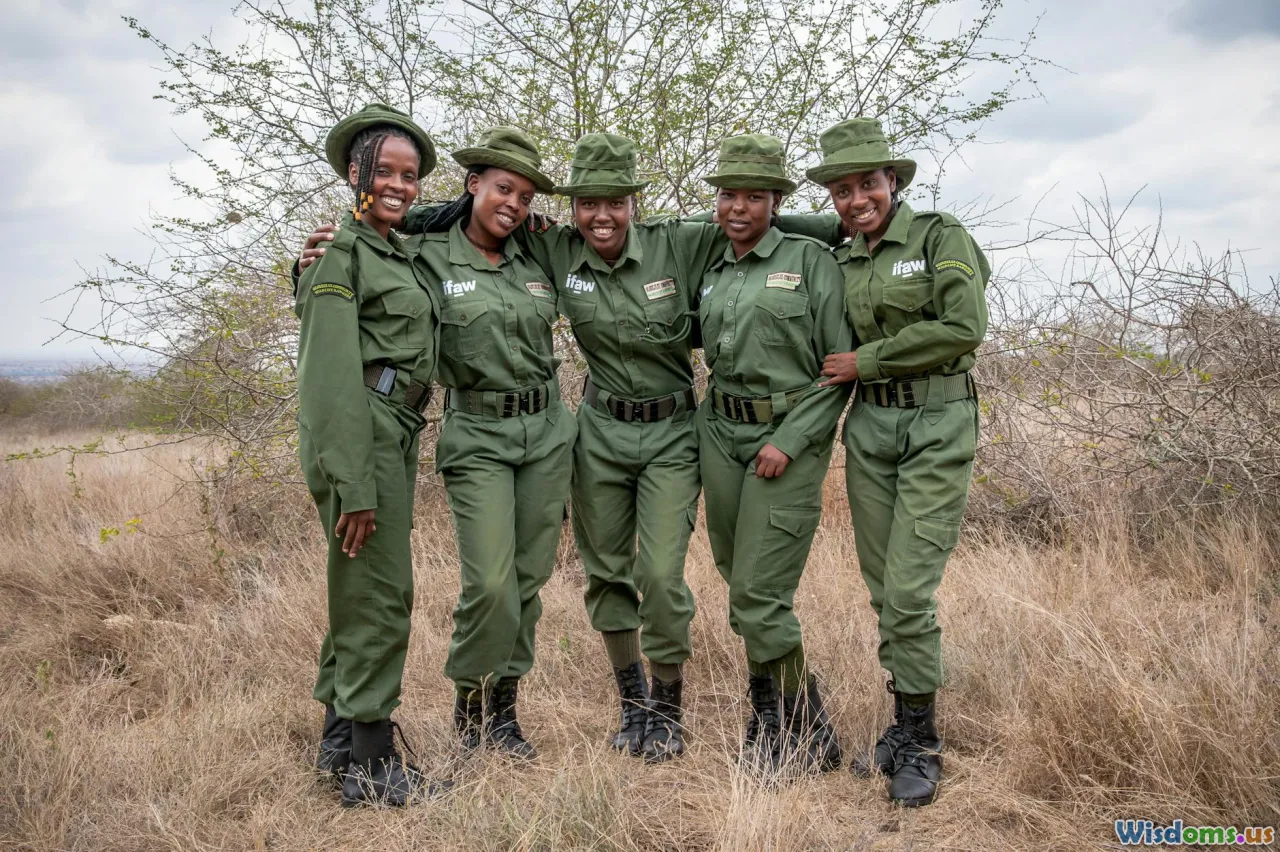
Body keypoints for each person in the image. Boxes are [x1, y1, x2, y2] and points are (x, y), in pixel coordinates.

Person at [810, 118, 988, 807]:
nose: (857, 199)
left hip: (937, 423)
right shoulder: (843, 254)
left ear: (894, 181)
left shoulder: (940, 236)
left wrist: (870, 359)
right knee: (886, 590)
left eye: (868, 184)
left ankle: (922, 743)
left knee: (910, 591)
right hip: (872, 428)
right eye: (842, 190)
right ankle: (903, 723)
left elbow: (963, 327)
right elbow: (773, 223)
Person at [296, 103, 441, 807]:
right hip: (363, 432)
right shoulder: (340, 253)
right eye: (384, 170)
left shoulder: (392, 248)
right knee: (381, 595)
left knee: (360, 589)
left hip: (394, 427)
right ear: (354, 172)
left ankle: (338, 741)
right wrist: (354, 483)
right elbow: (327, 378)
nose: (398, 186)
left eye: (409, 176)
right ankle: (372, 764)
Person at [694, 134, 854, 776]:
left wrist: (788, 440)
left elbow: (837, 370)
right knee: (739, 581)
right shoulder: (710, 263)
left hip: (786, 439)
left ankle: (797, 729)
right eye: (728, 195)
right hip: (720, 433)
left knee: (760, 592)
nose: (738, 207)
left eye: (754, 197)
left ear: (776, 202)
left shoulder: (811, 261)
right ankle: (780, 719)